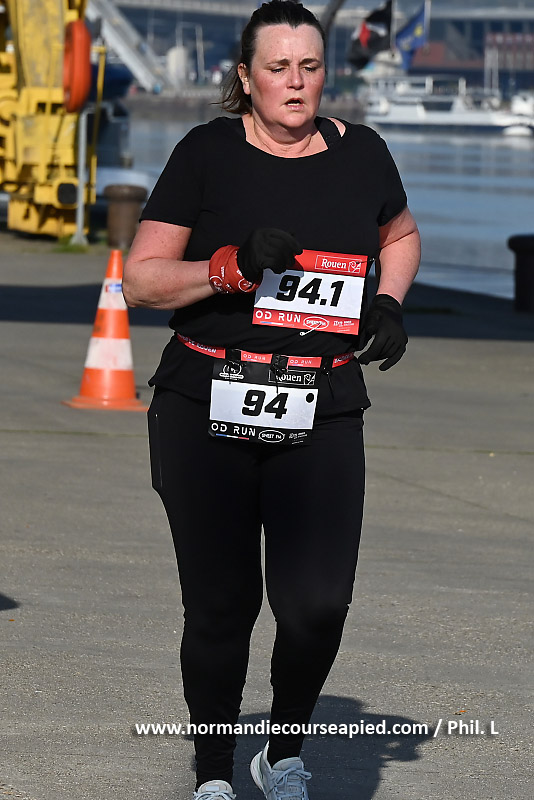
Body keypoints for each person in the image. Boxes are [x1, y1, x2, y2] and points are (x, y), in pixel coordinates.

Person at [123, 2, 420, 798]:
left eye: (310, 66)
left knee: (317, 604)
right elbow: (141, 280)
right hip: (207, 399)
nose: (296, 82)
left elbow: (399, 235)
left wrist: (390, 303)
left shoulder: (363, 153)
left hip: (323, 402)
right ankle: (214, 774)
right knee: (222, 608)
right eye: (279, 67)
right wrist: (230, 266)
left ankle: (282, 752)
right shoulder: (206, 153)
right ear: (246, 77)